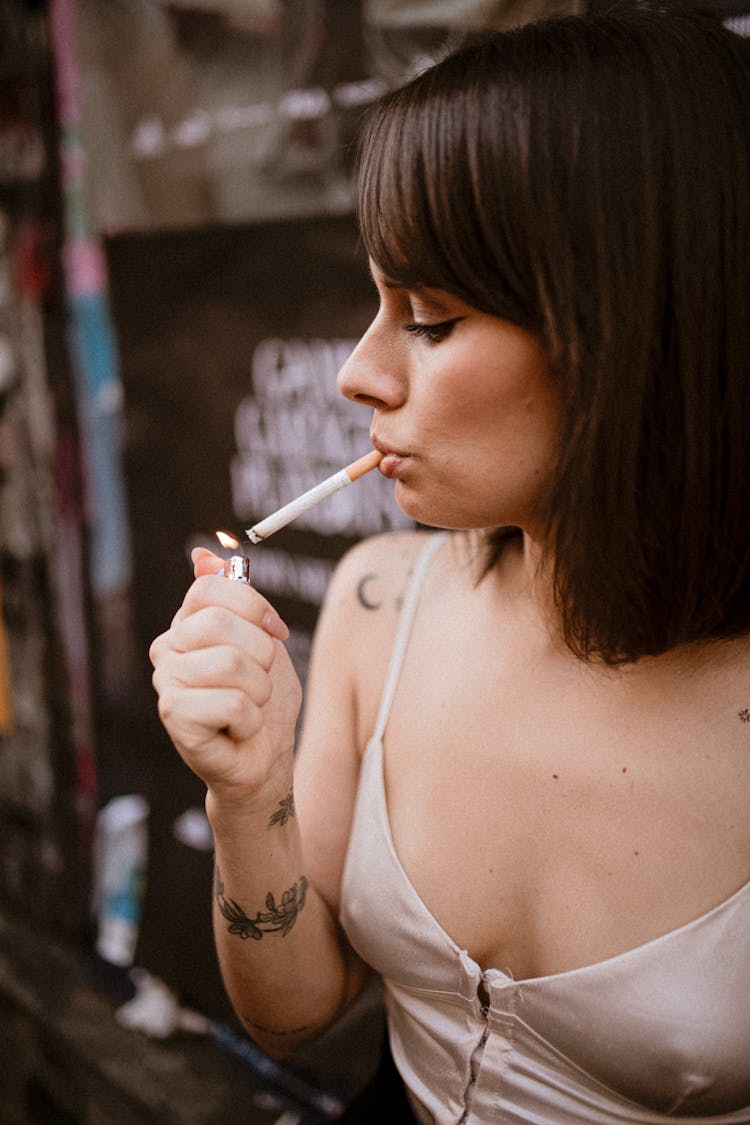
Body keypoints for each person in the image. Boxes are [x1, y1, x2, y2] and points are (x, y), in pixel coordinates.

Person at [149, 8, 750, 1122]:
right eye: (379, 302)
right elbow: (294, 1011)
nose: (359, 375)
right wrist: (249, 793)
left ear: (628, 332)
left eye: (428, 316)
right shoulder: (383, 599)